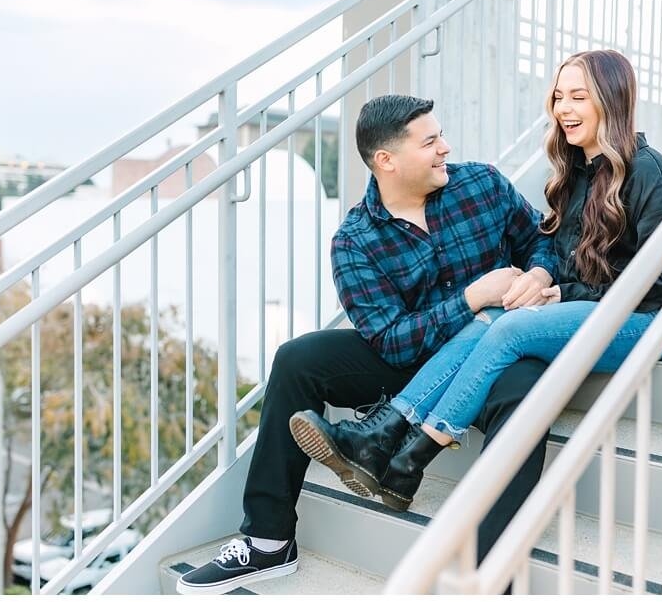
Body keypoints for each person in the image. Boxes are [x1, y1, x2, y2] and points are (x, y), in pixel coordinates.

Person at [177, 94, 559, 594]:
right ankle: (268, 542)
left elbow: (542, 237)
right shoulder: (354, 241)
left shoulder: (482, 185)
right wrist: (469, 298)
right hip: (412, 364)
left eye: (440, 135)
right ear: (387, 160)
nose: (446, 147)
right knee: (298, 358)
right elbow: (391, 342)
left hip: (490, 358)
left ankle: (489, 570)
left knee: (525, 387)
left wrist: (540, 270)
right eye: (430, 142)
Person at [292, 48, 662, 513]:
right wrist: (545, 282)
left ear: (612, 99)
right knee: (492, 312)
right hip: (588, 312)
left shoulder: (651, 174)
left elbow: (661, 284)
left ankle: (411, 454)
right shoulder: (577, 172)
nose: (564, 109)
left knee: (508, 325)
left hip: (644, 322)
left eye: (579, 97)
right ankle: (385, 438)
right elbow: (556, 252)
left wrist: (559, 292)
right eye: (559, 97)